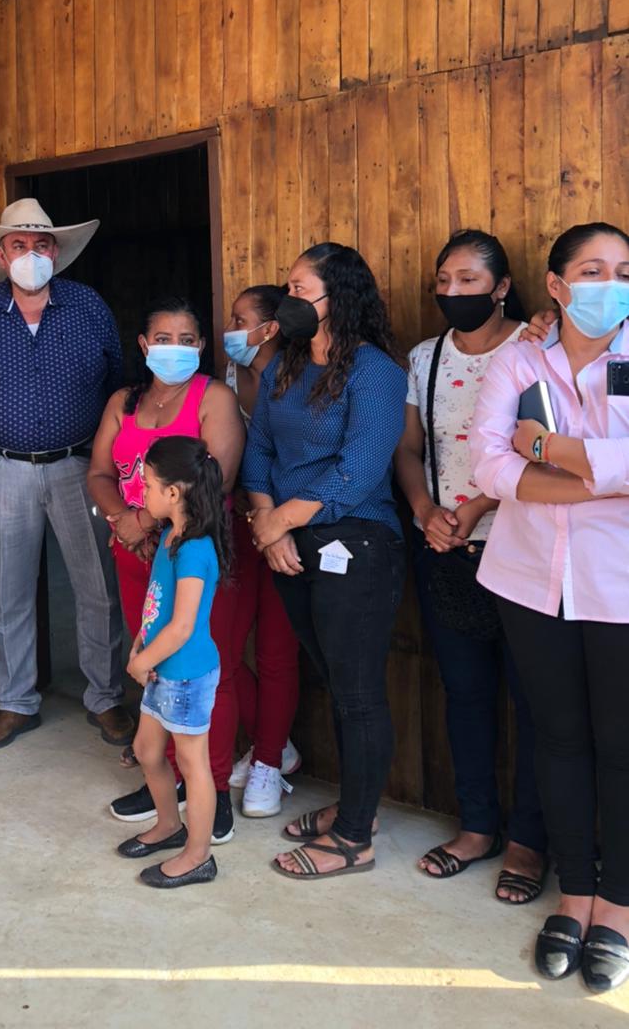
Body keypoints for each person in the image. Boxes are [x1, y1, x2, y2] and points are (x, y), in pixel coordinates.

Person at [471, 221, 629, 993]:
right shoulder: (520, 357)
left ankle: (619, 907)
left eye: (624, 271)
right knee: (558, 741)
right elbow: (485, 462)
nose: (612, 285)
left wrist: (548, 449)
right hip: (531, 581)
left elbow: (520, 455)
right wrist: (599, 484)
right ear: (559, 286)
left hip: (620, 585)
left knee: (623, 746)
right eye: (594, 271)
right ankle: (576, 894)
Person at [242, 242, 407, 881]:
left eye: (300, 289)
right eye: (287, 287)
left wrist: (280, 521)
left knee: (357, 692)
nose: (288, 299)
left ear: (339, 297)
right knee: (339, 685)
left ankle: (354, 838)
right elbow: (258, 449)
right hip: (289, 541)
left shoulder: (375, 371)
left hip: (356, 542)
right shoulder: (284, 365)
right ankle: (355, 808)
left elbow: (359, 470)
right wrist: (268, 526)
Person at [394, 230, 547, 903]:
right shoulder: (425, 358)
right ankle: (478, 826)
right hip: (444, 549)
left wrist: (474, 507)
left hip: (520, 546)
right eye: (443, 280)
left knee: (536, 704)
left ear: (502, 287)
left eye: (468, 280)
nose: (452, 292)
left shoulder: (534, 348)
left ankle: (530, 841)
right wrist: (426, 509)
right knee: (466, 695)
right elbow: (409, 448)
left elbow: (536, 448)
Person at [0, 199, 133, 753]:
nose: (32, 253)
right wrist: (1, 428)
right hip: (4, 466)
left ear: (57, 251)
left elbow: (117, 380)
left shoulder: (87, 306)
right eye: (20, 245)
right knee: (11, 590)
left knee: (97, 588)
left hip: (83, 466)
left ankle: (105, 697)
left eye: (42, 244)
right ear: (1, 255)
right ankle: (16, 702)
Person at [87, 297, 245, 841]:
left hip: (190, 552)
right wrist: (123, 520)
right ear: (143, 345)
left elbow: (217, 478)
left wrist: (145, 523)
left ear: (200, 346)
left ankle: (212, 788)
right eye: (162, 338)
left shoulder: (213, 397)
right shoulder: (123, 401)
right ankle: (168, 781)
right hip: (134, 552)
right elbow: (99, 473)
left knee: (205, 667)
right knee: (152, 657)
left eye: (185, 340)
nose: (173, 348)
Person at [116, 436, 232, 888]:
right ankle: (169, 825)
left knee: (192, 763)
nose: (140, 493)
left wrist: (142, 660)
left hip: (185, 675)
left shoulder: (195, 549)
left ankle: (199, 856)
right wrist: (140, 646)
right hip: (161, 668)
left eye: (146, 485)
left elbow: (183, 626)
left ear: (173, 492)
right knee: (148, 751)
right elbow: (157, 604)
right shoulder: (171, 535)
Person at [223, 285, 302, 816]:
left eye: (239, 319)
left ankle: (269, 762)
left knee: (276, 651)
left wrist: (278, 525)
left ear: (269, 328)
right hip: (236, 523)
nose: (229, 329)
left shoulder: (301, 378)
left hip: (287, 530)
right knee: (222, 649)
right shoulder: (229, 379)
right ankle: (274, 742)